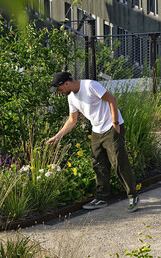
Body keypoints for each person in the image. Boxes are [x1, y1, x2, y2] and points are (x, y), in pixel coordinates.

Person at [47, 72, 140, 212]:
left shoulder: (90, 85)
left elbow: (112, 100)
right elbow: (72, 120)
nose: (60, 93)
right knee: (98, 164)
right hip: (97, 130)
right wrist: (57, 136)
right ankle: (101, 198)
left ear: (66, 83)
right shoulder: (71, 97)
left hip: (111, 126)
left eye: (60, 90)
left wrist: (115, 124)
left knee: (119, 162)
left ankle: (133, 196)